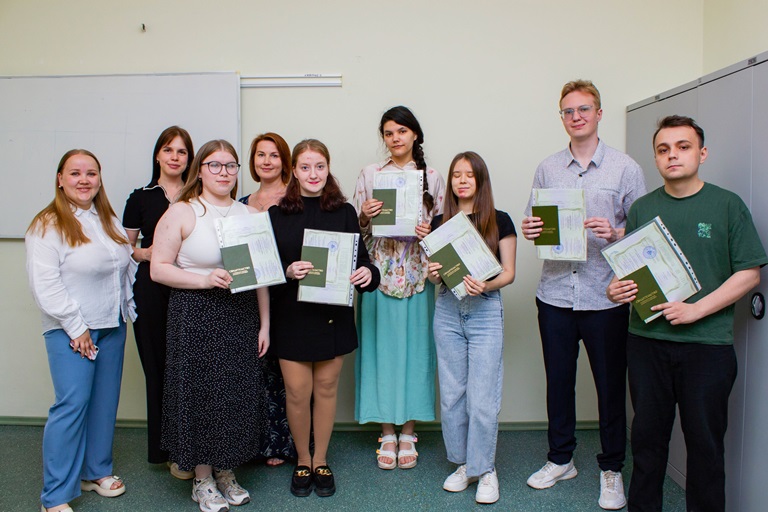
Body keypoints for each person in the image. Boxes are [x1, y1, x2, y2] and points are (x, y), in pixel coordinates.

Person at [607, 115, 767, 512]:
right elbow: (629, 271)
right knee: (647, 443)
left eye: (683, 147)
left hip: (707, 347)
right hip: (647, 344)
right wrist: (615, 289)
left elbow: (749, 273)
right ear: (655, 158)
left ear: (702, 153)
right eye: (663, 149)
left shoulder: (727, 205)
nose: (672, 155)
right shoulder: (643, 208)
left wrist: (696, 310)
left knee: (705, 448)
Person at [521, 80, 646, 510]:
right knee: (558, 383)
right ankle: (561, 459)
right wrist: (530, 227)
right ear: (562, 118)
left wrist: (616, 232)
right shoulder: (548, 168)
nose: (576, 117)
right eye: (568, 111)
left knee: (610, 388)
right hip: (555, 295)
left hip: (605, 298)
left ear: (599, 113)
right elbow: (533, 219)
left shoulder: (625, 169)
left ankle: (611, 469)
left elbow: (644, 230)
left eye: (584, 109)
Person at [151, 140, 270, 512]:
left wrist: (265, 324)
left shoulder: (250, 214)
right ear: (200, 170)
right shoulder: (182, 211)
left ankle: (226, 472)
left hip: (240, 313)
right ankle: (202, 479)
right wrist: (204, 280)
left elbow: (262, 274)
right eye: (215, 165)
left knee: (234, 394)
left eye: (231, 165)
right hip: (195, 313)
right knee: (200, 395)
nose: (224, 172)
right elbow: (158, 269)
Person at [268, 139, 380, 497]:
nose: (313, 174)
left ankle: (320, 459)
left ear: (328, 169)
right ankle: (302, 459)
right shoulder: (276, 214)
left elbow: (364, 262)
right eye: (305, 167)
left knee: (327, 390)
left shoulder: (344, 212)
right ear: (294, 171)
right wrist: (288, 270)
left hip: (333, 317)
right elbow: (265, 271)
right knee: (297, 394)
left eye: (319, 166)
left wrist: (367, 274)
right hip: (292, 316)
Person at [27, 149, 136, 512]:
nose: (84, 180)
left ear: (99, 179)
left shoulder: (107, 219)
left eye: (91, 173)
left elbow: (123, 265)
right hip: (71, 331)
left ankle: (96, 471)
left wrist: (126, 308)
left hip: (111, 324)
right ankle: (55, 495)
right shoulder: (47, 225)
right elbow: (45, 285)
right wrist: (77, 328)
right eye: (75, 173)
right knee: (72, 406)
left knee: (104, 404)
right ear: (60, 179)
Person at [353, 106, 445, 470]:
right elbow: (354, 230)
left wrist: (429, 232)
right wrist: (365, 215)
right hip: (379, 272)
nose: (395, 139)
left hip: (419, 273)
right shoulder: (370, 174)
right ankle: (387, 431)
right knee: (380, 350)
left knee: (417, 350)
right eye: (389, 133)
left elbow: (445, 231)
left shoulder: (432, 178)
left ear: (415, 134)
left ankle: (409, 430)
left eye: (402, 131)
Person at [427, 152, 517, 504]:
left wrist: (486, 285)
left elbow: (509, 273)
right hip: (447, 310)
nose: (462, 181)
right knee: (452, 395)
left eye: (469, 174)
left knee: (482, 398)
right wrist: (432, 274)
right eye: (456, 175)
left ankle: (486, 469)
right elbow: (435, 275)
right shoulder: (440, 222)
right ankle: (464, 464)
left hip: (485, 310)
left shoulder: (500, 220)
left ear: (480, 180)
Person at [122, 126, 195, 479]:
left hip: (191, 288)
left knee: (189, 370)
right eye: (168, 150)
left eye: (181, 151)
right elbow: (124, 249)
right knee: (158, 368)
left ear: (189, 158)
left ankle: (189, 449)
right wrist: (146, 253)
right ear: (157, 155)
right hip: (151, 290)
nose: (174, 157)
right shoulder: (140, 198)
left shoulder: (199, 196)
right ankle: (164, 451)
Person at [238, 132, 296, 467]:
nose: (267, 161)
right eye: (260, 155)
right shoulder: (240, 203)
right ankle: (256, 443)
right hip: (250, 295)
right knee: (256, 368)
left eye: (274, 155)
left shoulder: (296, 199)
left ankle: (285, 444)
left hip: (288, 292)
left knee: (287, 370)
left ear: (284, 161)